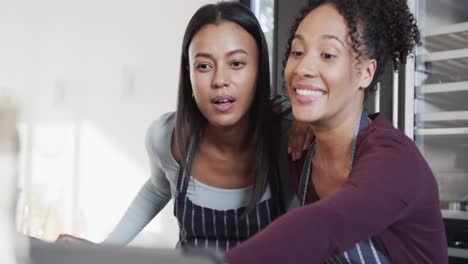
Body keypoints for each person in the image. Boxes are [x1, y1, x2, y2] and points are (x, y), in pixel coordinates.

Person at [58, 2, 312, 251]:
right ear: (188, 73)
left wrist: (314, 120)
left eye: (236, 63)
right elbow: (157, 189)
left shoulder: (290, 135)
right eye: (204, 66)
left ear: (259, 70)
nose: (220, 80)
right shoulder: (167, 136)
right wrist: (104, 251)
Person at [225, 0, 448, 263]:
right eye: (297, 52)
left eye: (327, 55)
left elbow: (325, 225)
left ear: (366, 72)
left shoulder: (395, 161)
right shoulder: (302, 150)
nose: (303, 68)